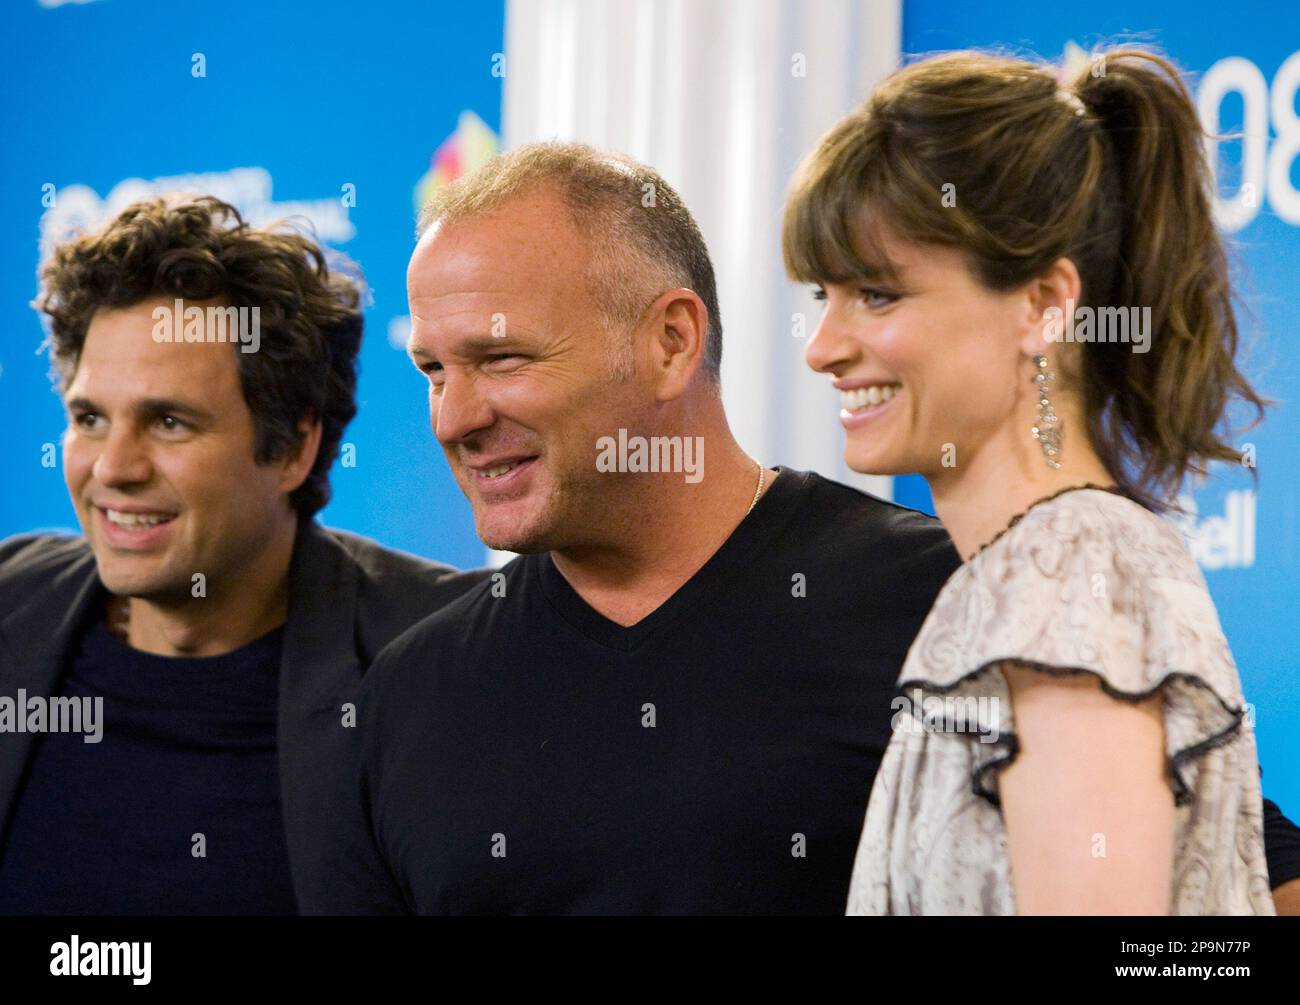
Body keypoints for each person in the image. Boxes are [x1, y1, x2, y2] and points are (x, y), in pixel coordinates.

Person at [337, 141, 1300, 914]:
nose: (453, 419)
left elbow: (1230, 906)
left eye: (500, 359)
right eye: (431, 370)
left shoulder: (970, 601)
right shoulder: (406, 699)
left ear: (672, 340)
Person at [785, 47, 1290, 914]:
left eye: (876, 294)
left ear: (1043, 304)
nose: (822, 346)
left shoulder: (1067, 574)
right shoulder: (1032, 569)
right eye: (823, 294)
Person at [0, 196, 487, 914]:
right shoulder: (12, 603)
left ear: (293, 447)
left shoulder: (438, 658)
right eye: (89, 418)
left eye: (168, 421)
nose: (113, 467)